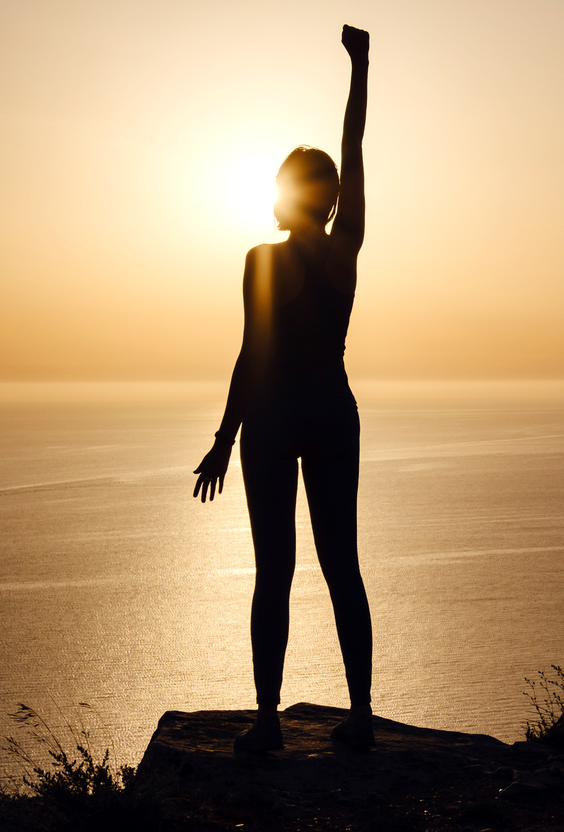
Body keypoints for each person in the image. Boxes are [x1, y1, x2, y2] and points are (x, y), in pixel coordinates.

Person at [193, 24, 373, 752]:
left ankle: (267, 722)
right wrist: (361, 68)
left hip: (270, 419)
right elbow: (355, 150)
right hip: (332, 411)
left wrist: (222, 438)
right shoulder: (344, 251)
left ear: (281, 195)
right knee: (342, 567)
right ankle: (359, 716)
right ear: (328, 201)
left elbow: (250, 355)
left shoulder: (260, 260)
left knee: (275, 571)